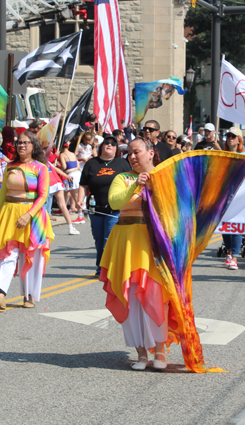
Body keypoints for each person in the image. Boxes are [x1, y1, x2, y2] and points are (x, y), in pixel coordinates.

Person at [100, 138, 169, 370]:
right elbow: (114, 202)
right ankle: (141, 353)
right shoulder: (123, 178)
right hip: (125, 243)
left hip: (152, 244)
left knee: (154, 295)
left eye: (136, 152)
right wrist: (135, 186)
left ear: (150, 153)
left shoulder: (164, 176)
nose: (131, 156)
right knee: (129, 296)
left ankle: (160, 351)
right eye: (128, 152)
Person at [0, 132, 54, 309]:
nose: (21, 146)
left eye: (26, 143)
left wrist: (28, 215)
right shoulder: (10, 166)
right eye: (19, 142)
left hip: (33, 216)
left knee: (31, 255)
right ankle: (0, 296)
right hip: (9, 214)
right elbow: (3, 194)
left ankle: (29, 296)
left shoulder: (40, 167)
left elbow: (43, 196)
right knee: (8, 254)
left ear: (33, 145)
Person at [78, 135, 131, 275]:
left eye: (113, 144)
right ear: (101, 146)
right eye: (106, 143)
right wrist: (79, 200)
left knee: (109, 239)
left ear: (116, 149)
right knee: (99, 240)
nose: (109, 145)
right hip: (95, 208)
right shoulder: (92, 163)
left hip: (115, 209)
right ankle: (101, 267)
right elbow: (83, 185)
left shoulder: (122, 164)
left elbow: (130, 184)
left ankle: (107, 269)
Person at [221, 127, 245, 270]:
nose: (230, 138)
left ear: (239, 139)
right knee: (225, 227)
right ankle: (229, 252)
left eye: (234, 136)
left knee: (236, 226)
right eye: (228, 136)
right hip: (224, 195)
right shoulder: (222, 155)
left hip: (239, 195)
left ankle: (235, 258)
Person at [59, 141, 85, 225]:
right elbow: (77, 166)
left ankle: (80, 216)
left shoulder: (62, 155)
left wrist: (60, 171)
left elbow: (64, 166)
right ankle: (78, 214)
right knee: (75, 195)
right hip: (78, 174)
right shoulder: (73, 154)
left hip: (71, 176)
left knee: (76, 197)